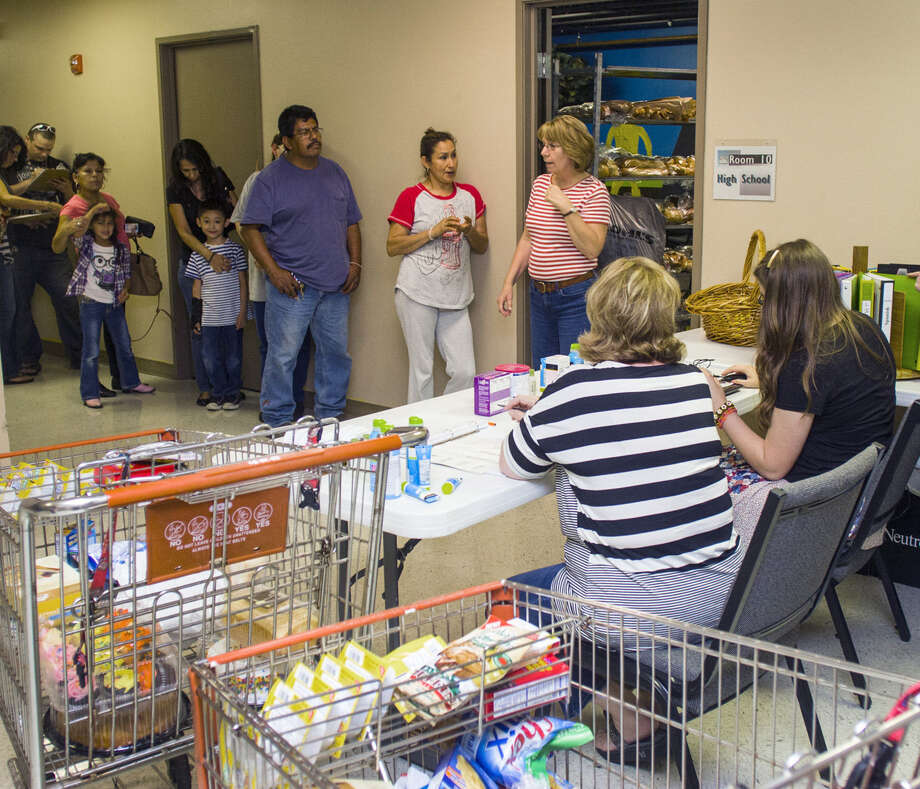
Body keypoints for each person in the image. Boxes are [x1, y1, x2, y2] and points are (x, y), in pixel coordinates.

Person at [500, 257, 741, 760]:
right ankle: (632, 721)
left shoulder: (575, 393)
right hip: (719, 594)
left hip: (634, 609)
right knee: (606, 573)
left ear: (599, 314)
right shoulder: (698, 385)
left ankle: (528, 732)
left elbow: (513, 463)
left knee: (515, 597)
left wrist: (546, 410)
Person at [699, 239, 896, 545]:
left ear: (786, 303)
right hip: (858, 494)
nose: (763, 310)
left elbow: (772, 465)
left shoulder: (806, 362)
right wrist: (771, 381)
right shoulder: (862, 328)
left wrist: (722, 408)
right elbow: (835, 393)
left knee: (696, 477)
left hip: (813, 506)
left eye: (765, 301)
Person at [241, 105, 362, 426]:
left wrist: (355, 262)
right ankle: (277, 421)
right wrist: (274, 272)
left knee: (335, 355)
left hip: (335, 285)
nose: (313, 137)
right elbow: (249, 229)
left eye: (316, 130)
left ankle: (330, 417)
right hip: (292, 286)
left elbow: (352, 222)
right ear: (287, 141)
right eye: (305, 132)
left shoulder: (335, 172)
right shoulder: (269, 180)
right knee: (282, 357)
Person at [497, 115, 610, 368]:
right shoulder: (540, 185)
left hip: (576, 297)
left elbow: (593, 247)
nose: (544, 153)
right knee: (543, 371)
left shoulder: (595, 191)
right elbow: (528, 237)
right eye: (543, 146)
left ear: (572, 149)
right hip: (539, 295)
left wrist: (568, 209)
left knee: (574, 374)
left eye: (552, 146)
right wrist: (508, 283)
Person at [386, 128, 489, 403]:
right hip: (416, 293)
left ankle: (446, 425)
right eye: (443, 157)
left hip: (455, 297)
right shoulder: (411, 197)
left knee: (465, 372)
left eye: (454, 156)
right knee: (422, 373)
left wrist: (469, 232)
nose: (451, 164)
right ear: (426, 162)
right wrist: (432, 232)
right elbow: (393, 246)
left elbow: (482, 245)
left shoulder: (470, 196)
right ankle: (419, 434)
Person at [231, 134, 312, 418]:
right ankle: (273, 410)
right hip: (267, 281)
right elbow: (243, 225)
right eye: (282, 145)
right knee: (273, 347)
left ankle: (296, 406)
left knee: (300, 346)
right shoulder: (260, 179)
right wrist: (269, 265)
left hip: (302, 280)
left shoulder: (310, 177)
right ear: (276, 147)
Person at [5, 123, 83, 375]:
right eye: (39, 148)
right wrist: (31, 185)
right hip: (18, 244)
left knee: (68, 299)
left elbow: (75, 205)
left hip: (52, 247)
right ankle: (28, 357)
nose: (43, 154)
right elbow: (4, 195)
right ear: (27, 140)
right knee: (19, 305)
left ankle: (80, 355)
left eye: (48, 149)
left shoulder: (58, 167)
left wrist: (67, 191)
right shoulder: (9, 165)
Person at [57, 207, 154, 408]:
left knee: (124, 345)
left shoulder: (120, 249)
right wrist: (91, 212)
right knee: (91, 351)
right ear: (92, 225)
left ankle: (131, 381)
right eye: (100, 223)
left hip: (114, 304)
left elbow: (127, 275)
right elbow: (74, 231)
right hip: (91, 303)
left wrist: (125, 290)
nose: (106, 228)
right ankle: (90, 392)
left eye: (110, 224)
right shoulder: (85, 244)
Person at [166, 139, 237, 407]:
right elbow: (183, 231)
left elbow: (238, 211)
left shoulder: (218, 177)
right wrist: (209, 256)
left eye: (195, 170)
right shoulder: (175, 189)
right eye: (186, 171)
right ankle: (206, 387)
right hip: (195, 261)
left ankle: (229, 388)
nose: (191, 176)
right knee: (201, 327)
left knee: (229, 328)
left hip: (227, 260)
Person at [53, 153, 131, 394]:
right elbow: (57, 245)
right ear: (76, 176)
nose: (95, 175)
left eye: (99, 171)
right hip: (90, 280)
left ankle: (123, 379)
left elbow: (120, 235)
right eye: (88, 171)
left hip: (116, 272)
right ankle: (91, 385)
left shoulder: (109, 200)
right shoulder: (73, 206)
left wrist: (127, 274)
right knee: (92, 337)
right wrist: (68, 228)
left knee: (118, 334)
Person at [0, 126, 63, 385]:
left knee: (10, 309)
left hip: (6, 250)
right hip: (14, 247)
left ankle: (12, 367)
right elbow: (8, 198)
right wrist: (46, 205)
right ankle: (10, 369)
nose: (15, 159)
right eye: (13, 153)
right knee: (9, 310)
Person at [186, 199, 248, 411]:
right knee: (211, 359)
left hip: (232, 317)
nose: (212, 226)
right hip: (209, 319)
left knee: (233, 359)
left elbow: (242, 283)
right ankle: (217, 393)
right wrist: (196, 317)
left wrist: (242, 312)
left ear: (226, 223)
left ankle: (232, 394)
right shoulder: (197, 254)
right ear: (198, 223)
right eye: (207, 221)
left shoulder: (236, 251)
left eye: (217, 221)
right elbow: (196, 287)